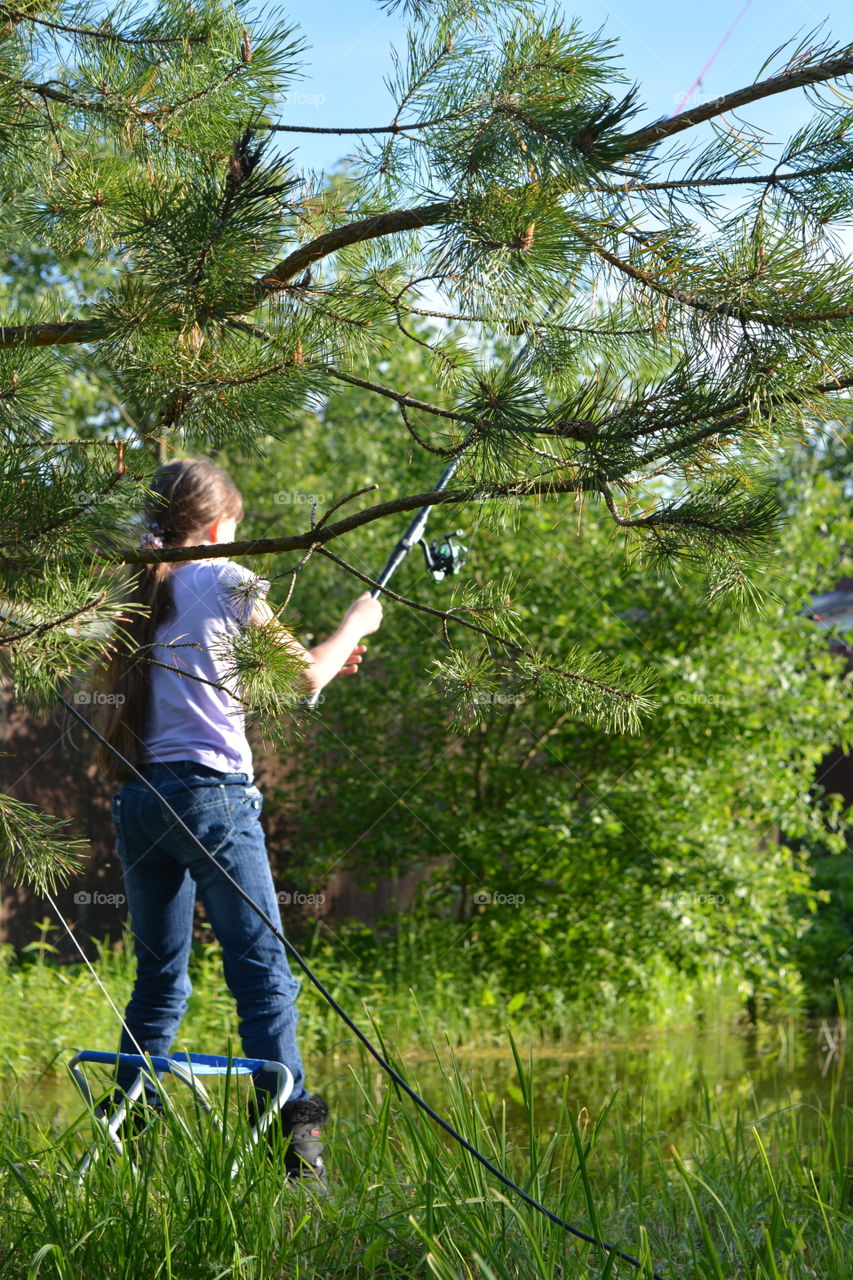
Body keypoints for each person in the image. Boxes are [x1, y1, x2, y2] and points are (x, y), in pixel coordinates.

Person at [96, 457, 383, 1184]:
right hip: (213, 800)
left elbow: (239, 680)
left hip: (139, 801)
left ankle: (130, 1128)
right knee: (263, 977)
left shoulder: (135, 589)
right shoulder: (227, 578)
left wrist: (327, 658)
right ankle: (297, 1154)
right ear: (219, 526)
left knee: (159, 981)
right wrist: (355, 623)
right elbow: (305, 679)